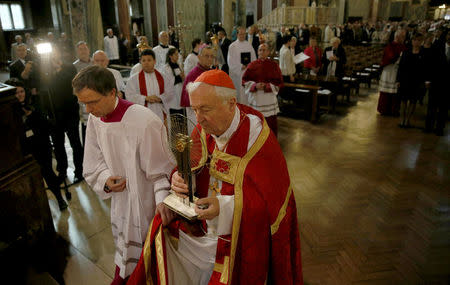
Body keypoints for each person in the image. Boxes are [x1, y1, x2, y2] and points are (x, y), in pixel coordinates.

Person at [127, 69, 303, 285]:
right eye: (194, 109)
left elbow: (270, 206)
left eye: (205, 109)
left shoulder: (257, 140)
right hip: (201, 224)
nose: (198, 119)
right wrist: (179, 181)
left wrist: (224, 207)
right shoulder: (202, 129)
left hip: (239, 233)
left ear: (231, 103)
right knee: (161, 232)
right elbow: (187, 168)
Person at [72, 65, 174, 284]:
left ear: (112, 93)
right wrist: (105, 180)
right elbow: (92, 161)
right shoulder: (95, 119)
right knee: (126, 260)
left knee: (152, 265)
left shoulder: (145, 121)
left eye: (93, 101)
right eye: (84, 103)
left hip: (148, 205)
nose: (88, 110)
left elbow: (162, 172)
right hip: (121, 203)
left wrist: (162, 205)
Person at [6, 78, 68, 211]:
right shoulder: (10, 112)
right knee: (31, 181)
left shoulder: (34, 104)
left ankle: (60, 199)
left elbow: (46, 125)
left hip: (42, 147)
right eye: (16, 93)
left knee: (49, 174)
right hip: (26, 152)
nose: (20, 95)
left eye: (22, 91)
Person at [47, 51, 84, 184]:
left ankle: (79, 171)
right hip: (54, 113)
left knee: (75, 143)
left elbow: (73, 83)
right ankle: (62, 171)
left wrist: (59, 69)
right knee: (58, 145)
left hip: (70, 112)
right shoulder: (46, 70)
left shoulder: (69, 67)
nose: (54, 57)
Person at [242, 43, 283, 137]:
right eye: (260, 50)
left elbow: (279, 82)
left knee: (270, 123)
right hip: (256, 99)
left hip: (268, 98)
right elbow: (244, 81)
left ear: (268, 52)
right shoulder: (252, 65)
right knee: (256, 122)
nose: (262, 52)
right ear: (257, 52)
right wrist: (255, 86)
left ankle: (270, 142)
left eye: (264, 50)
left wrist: (266, 86)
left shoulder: (273, 65)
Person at [126, 49, 171, 123]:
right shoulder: (134, 79)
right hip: (142, 113)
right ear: (140, 62)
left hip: (160, 112)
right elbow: (129, 95)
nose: (146, 63)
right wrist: (145, 98)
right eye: (143, 60)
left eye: (149, 60)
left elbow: (170, 92)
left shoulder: (163, 77)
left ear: (154, 61)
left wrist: (160, 98)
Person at [180, 45, 215, 128]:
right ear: (199, 57)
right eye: (206, 56)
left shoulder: (211, 72)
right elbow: (189, 100)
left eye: (211, 56)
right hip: (196, 114)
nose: (210, 59)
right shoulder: (193, 75)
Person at [397, 33, 426, 128]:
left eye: (418, 40)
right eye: (414, 40)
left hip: (417, 80)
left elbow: (425, 68)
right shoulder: (406, 52)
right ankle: (402, 119)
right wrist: (398, 80)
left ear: (421, 41)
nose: (416, 42)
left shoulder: (423, 53)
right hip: (405, 79)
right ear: (412, 41)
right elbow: (400, 67)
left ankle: (408, 120)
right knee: (403, 101)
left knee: (413, 101)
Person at [377, 29, 406, 116]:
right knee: (386, 92)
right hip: (389, 70)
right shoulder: (390, 46)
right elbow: (389, 57)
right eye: (402, 36)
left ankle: (393, 110)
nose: (404, 38)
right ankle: (384, 109)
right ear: (397, 37)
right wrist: (399, 56)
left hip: (397, 71)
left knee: (395, 92)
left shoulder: (403, 46)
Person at [227, 27, 256, 105]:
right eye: (241, 34)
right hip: (238, 75)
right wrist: (240, 66)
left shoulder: (249, 45)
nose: (242, 36)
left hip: (247, 73)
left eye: (244, 34)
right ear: (237, 34)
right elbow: (230, 61)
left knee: (247, 95)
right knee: (239, 94)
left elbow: (253, 58)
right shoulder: (232, 46)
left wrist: (250, 66)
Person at [163, 47, 185, 111]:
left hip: (180, 90)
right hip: (173, 93)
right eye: (175, 54)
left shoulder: (178, 65)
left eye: (177, 54)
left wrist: (183, 77)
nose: (177, 56)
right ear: (170, 56)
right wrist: (179, 77)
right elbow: (168, 81)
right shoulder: (167, 67)